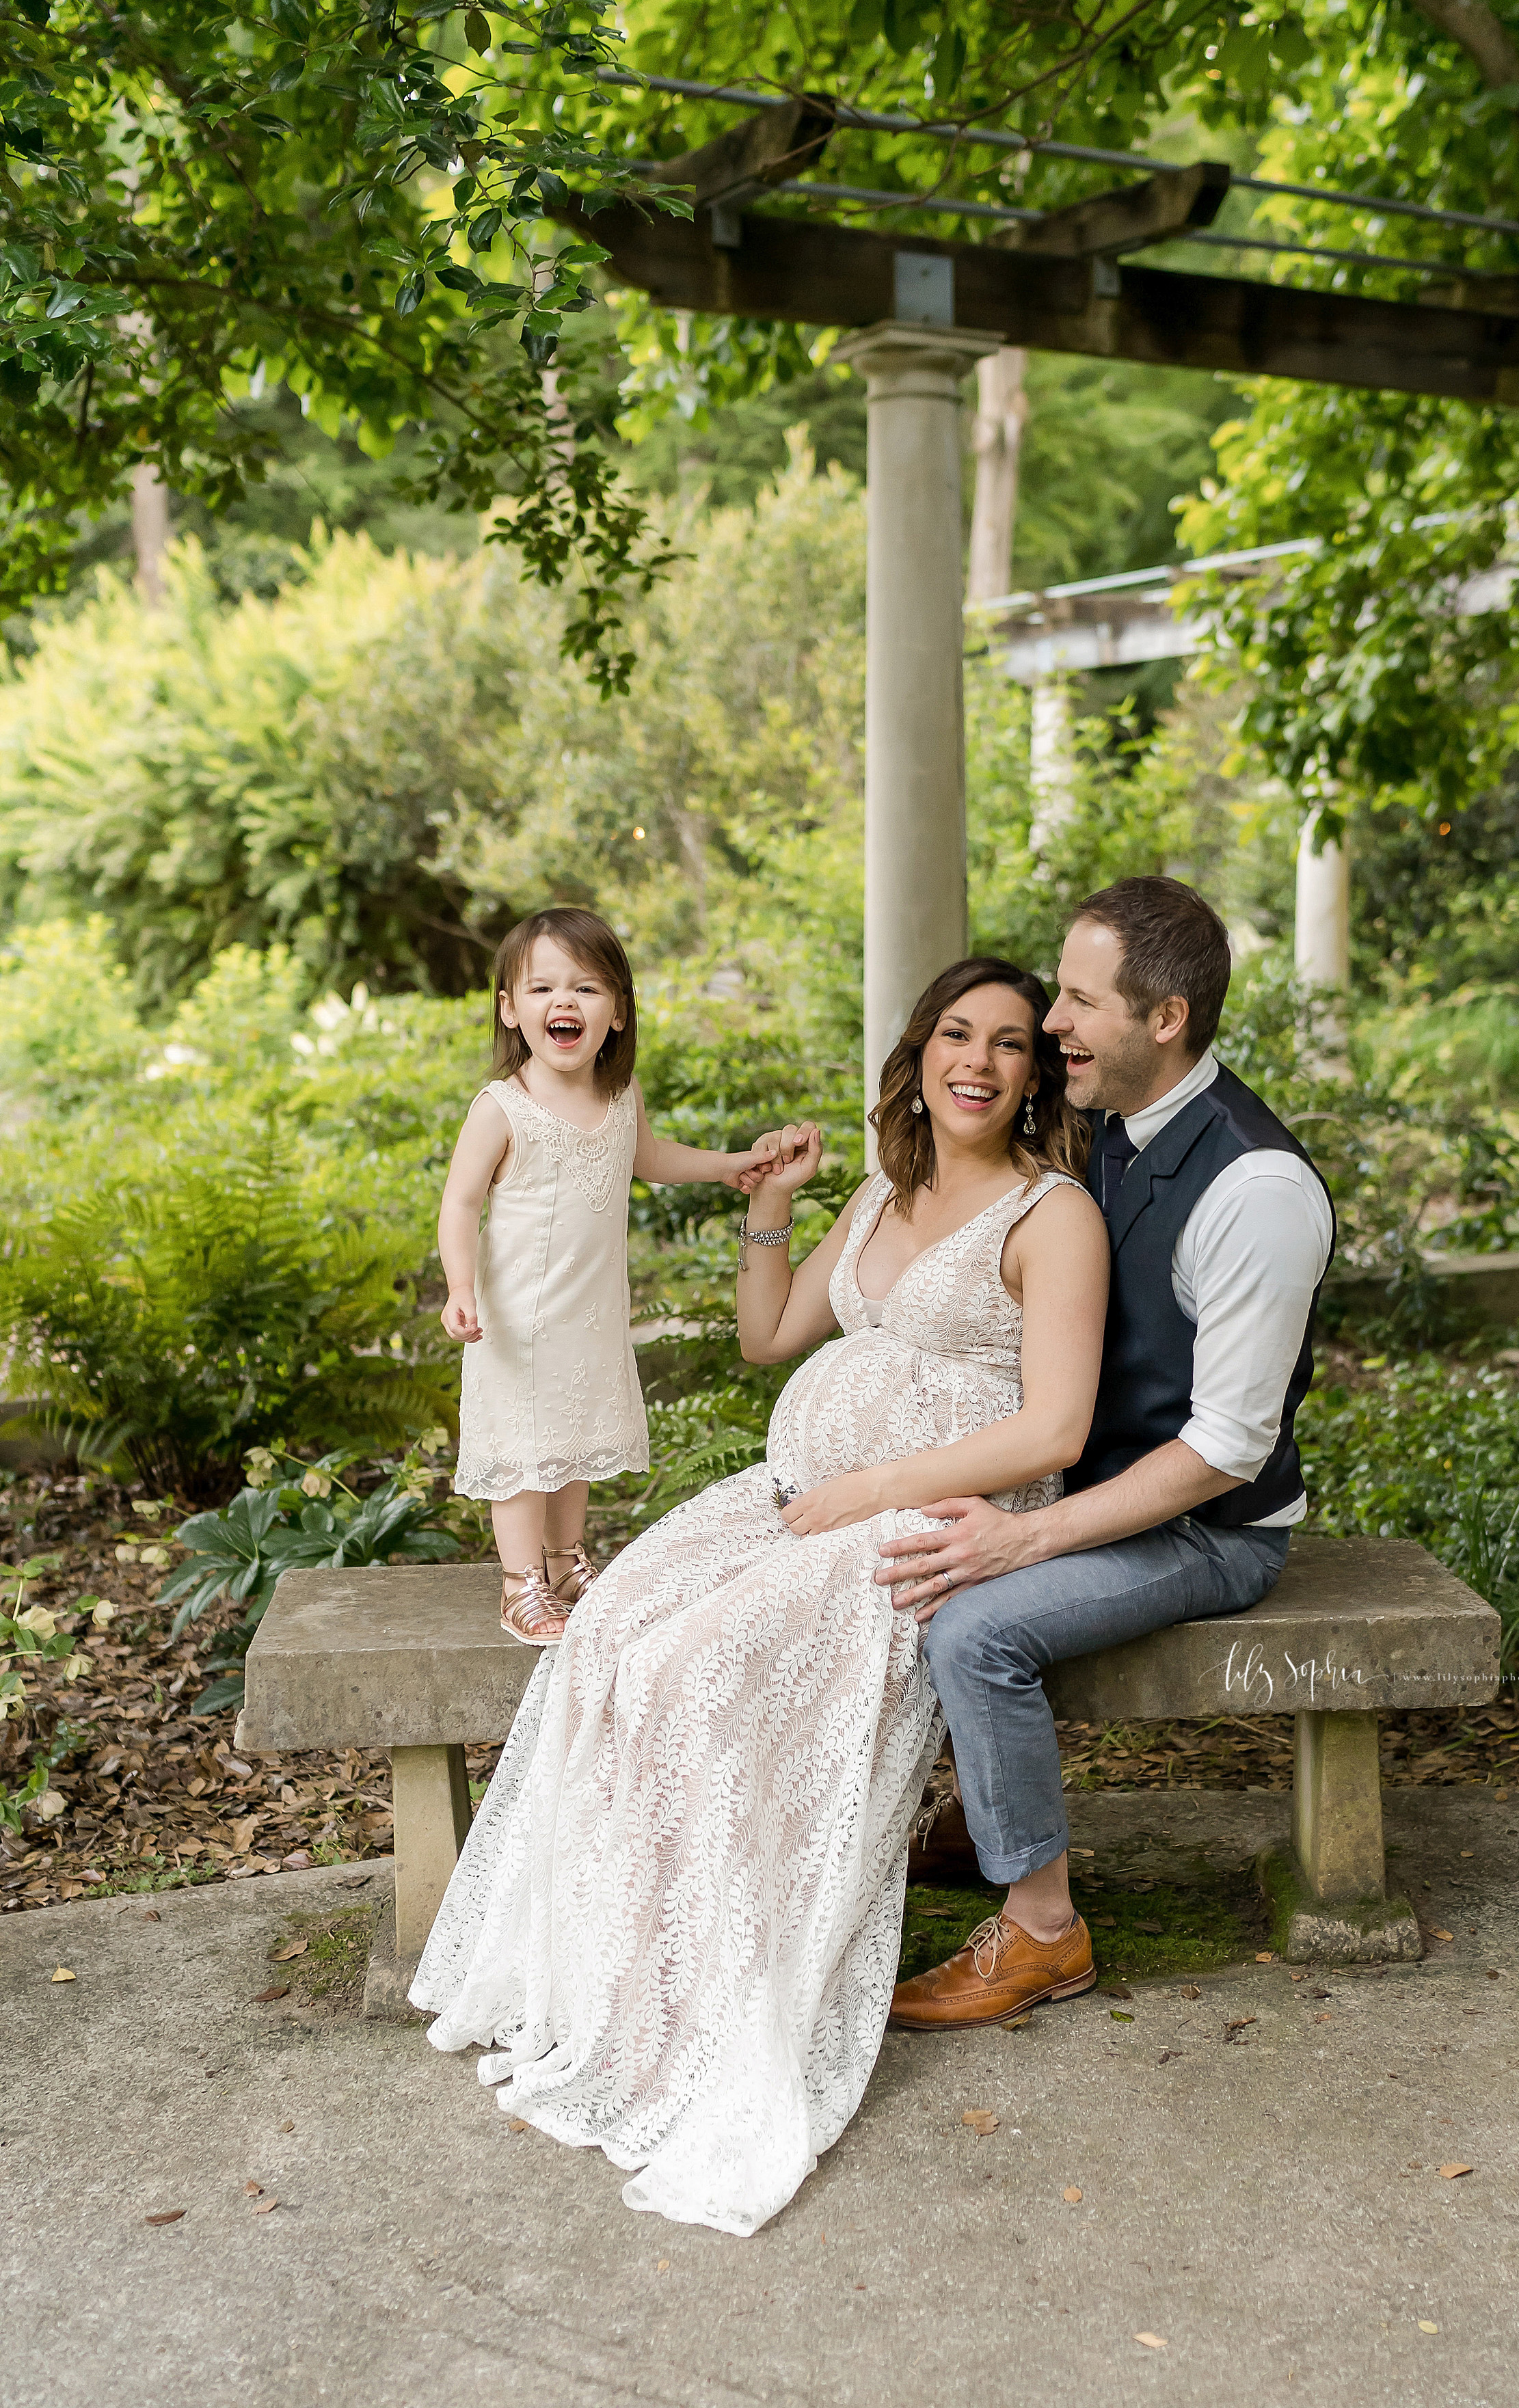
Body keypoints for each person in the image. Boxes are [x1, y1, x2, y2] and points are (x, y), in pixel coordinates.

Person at [410, 957, 1108, 2234]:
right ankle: (632, 1976)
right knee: (614, 1628)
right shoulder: (883, 1190)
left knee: (698, 1668)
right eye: (958, 1034)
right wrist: (773, 1207)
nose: (981, 1061)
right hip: (804, 1490)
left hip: (937, 1516)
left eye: (1013, 1044)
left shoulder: (1050, 1215)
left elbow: (1054, 1424)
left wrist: (874, 1488)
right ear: (920, 1052)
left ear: (1037, 1073)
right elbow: (771, 1334)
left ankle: (721, 1999)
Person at [881, 878, 1335, 2029]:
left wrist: (1022, 1534)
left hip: (1208, 1532)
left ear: (1166, 1018)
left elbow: (1227, 1451)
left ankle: (1043, 1933)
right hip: (1100, 1485)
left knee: (975, 1623)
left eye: (1079, 1001)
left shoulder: (1257, 1190)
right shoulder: (1105, 1130)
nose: (1054, 1025)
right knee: (892, 1549)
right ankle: (989, 1808)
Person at [437, 905, 774, 1645]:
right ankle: (519, 1583)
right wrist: (461, 1289)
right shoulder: (503, 1109)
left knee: (574, 1441)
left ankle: (564, 1562)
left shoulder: (620, 1096)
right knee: (525, 1451)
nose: (565, 1003)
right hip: (516, 1320)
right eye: (542, 989)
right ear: (510, 1010)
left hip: (586, 1318)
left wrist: (726, 1166)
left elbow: (649, 1158)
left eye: (587, 989)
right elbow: (460, 1204)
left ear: (618, 1012)